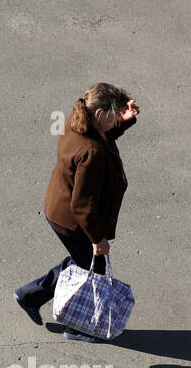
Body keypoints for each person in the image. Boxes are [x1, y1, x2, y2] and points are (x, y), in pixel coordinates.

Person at [15, 82, 140, 341]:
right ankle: (76, 326)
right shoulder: (91, 152)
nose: (116, 120)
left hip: (58, 207)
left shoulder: (77, 119)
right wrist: (97, 239)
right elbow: (82, 206)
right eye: (113, 116)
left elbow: (102, 135)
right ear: (99, 114)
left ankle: (29, 295)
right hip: (71, 220)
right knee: (92, 269)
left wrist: (123, 122)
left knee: (83, 264)